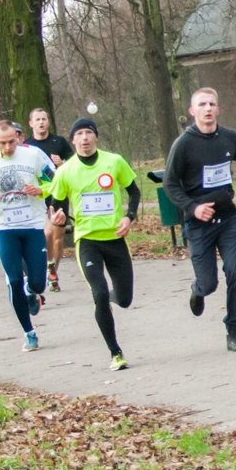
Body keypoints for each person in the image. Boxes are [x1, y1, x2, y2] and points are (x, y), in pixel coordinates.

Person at [164, 87, 236, 352]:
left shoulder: (229, 137)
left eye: (212, 104)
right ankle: (198, 289)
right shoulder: (183, 144)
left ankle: (233, 330)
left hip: (227, 218)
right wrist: (193, 208)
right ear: (193, 111)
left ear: (218, 110)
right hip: (198, 224)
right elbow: (170, 184)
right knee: (209, 283)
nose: (207, 109)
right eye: (202, 105)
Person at [44, 118, 141, 371]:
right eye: (79, 134)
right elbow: (55, 203)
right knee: (98, 294)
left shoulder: (114, 161)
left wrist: (129, 217)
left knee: (125, 299)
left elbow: (135, 191)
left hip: (116, 240)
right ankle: (115, 352)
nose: (85, 138)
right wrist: (57, 217)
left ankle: (109, 296)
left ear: (96, 137)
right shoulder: (65, 171)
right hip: (87, 241)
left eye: (89, 132)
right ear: (73, 140)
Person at [0, 119, 55, 350]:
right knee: (14, 279)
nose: (8, 147)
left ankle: (30, 290)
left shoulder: (33, 155)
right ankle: (29, 332)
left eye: (12, 142)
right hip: (4, 228)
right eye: (3, 143)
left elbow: (54, 181)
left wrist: (41, 190)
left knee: (38, 283)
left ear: (19, 138)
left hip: (33, 224)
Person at [25, 108, 72, 292]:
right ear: (31, 123)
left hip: (58, 195)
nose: (41, 122)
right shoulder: (27, 146)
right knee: (46, 235)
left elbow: (74, 163)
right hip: (38, 196)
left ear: (48, 122)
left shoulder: (58, 142)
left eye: (44, 119)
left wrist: (62, 164)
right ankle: (48, 270)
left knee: (58, 239)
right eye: (37, 119)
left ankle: (53, 272)